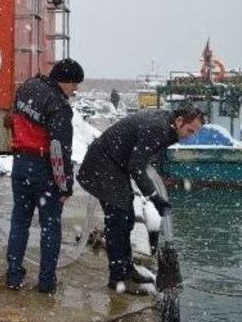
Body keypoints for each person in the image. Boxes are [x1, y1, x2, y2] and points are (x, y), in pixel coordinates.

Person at [77, 105, 204, 295]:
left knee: (127, 218)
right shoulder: (158, 128)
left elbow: (143, 157)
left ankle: (127, 270)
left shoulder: (166, 125)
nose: (190, 136)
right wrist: (154, 197)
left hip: (114, 164)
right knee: (118, 221)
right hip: (103, 165)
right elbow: (136, 166)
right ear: (179, 122)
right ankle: (118, 279)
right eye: (190, 130)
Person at [5, 58, 84, 294]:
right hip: (44, 169)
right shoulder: (58, 105)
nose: (75, 90)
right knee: (50, 226)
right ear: (63, 80)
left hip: (20, 165)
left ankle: (13, 276)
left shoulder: (27, 87)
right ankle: (47, 281)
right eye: (74, 84)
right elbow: (59, 150)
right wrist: (65, 185)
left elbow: (11, 119)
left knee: (20, 221)